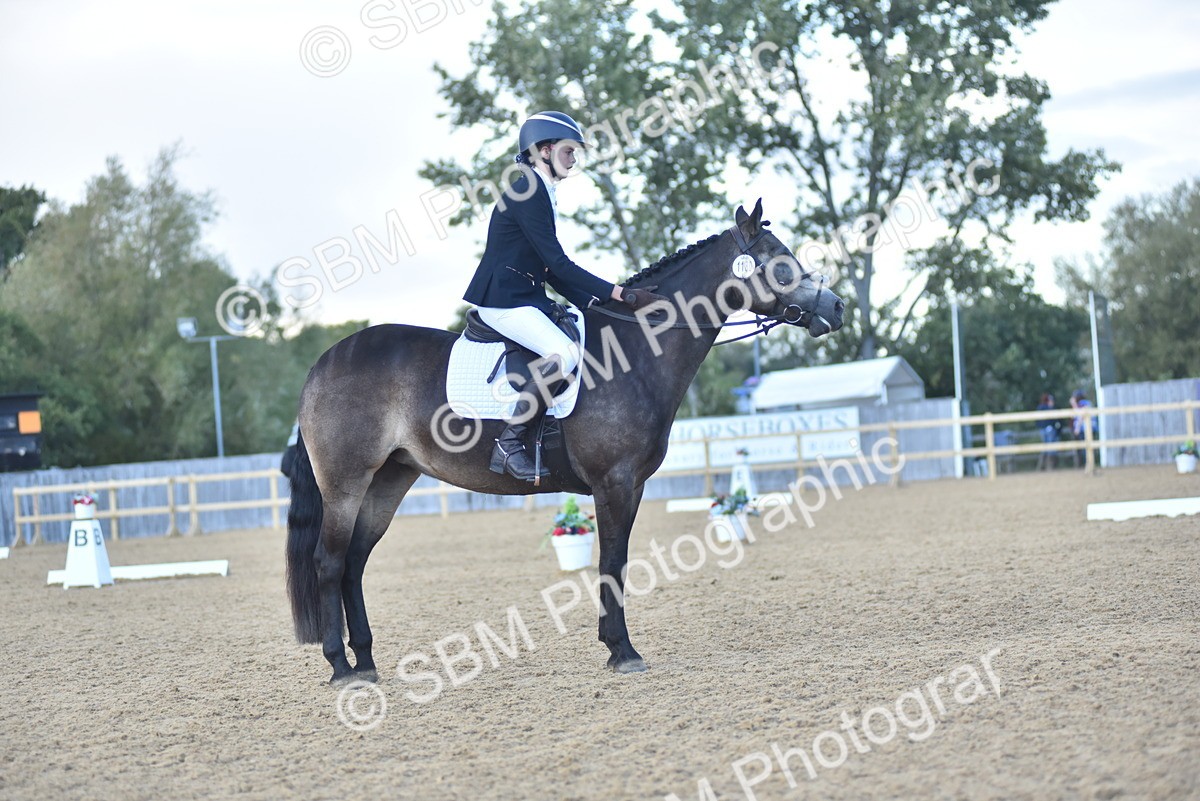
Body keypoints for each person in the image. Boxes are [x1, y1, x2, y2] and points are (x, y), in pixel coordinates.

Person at [462, 110, 668, 481]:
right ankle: (510, 442)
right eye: (568, 151)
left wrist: (598, 303)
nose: (573, 159)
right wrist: (619, 292)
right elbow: (558, 261)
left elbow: (552, 271)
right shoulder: (527, 191)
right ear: (543, 150)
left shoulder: (542, 190)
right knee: (565, 354)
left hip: (525, 294)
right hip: (502, 300)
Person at [1069, 389, 1098, 468]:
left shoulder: (1082, 403)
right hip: (1091, 428)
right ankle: (1089, 464)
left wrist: (1077, 428)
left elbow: (1081, 415)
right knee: (1088, 447)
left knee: (1086, 447)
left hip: (1085, 428)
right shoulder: (1087, 402)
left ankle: (1088, 464)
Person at [1035, 393, 1060, 470]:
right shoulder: (1049, 408)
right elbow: (1054, 419)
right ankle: (1050, 466)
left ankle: (1041, 466)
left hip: (1043, 429)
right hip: (1050, 429)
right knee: (1051, 447)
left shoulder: (1039, 408)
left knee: (1045, 447)